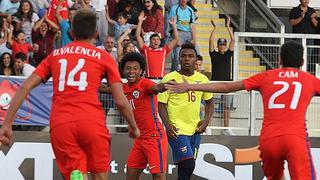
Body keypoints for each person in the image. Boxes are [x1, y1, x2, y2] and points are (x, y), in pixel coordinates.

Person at [0, 9, 140, 180]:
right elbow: (120, 100)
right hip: (92, 122)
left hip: (62, 124)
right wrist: (133, 126)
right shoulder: (104, 57)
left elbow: (24, 88)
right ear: (96, 33)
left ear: (71, 32)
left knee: (77, 173)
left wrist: (7, 123)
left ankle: (78, 175)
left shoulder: (55, 56)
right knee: (100, 174)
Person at [166, 41, 318, 180]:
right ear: (302, 62)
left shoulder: (266, 77)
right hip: (296, 139)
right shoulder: (309, 80)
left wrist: (190, 86)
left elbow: (226, 87)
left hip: (270, 140)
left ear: (279, 61)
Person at [100, 52, 169, 180]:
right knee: (130, 177)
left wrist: (166, 85)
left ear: (141, 71)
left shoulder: (146, 84)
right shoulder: (123, 88)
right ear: (123, 70)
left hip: (154, 137)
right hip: (139, 140)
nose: (131, 71)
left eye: (135, 69)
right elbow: (103, 88)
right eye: (128, 68)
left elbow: (156, 88)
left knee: (158, 176)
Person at [158, 43, 214, 180]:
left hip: (195, 130)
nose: (187, 59)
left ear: (196, 59)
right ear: (178, 58)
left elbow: (210, 102)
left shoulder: (202, 79)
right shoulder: (170, 78)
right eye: (183, 56)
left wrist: (206, 121)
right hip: (176, 130)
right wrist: (167, 124)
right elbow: (161, 104)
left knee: (186, 168)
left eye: (190, 56)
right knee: (189, 165)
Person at [209, 17, 235, 135]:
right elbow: (210, 41)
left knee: (226, 108)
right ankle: (208, 127)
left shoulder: (229, 54)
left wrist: (228, 27)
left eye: (224, 45)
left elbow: (233, 40)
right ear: (218, 46)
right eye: (221, 45)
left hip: (227, 84)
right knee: (211, 106)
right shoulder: (214, 54)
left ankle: (226, 128)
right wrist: (214, 29)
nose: (223, 46)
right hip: (214, 83)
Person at [136, 12, 179, 79]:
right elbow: (138, 36)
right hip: (149, 79)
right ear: (150, 42)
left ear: (160, 41)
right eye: (153, 39)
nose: (156, 41)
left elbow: (176, 39)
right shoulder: (146, 50)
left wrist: (174, 25)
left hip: (161, 79)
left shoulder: (164, 50)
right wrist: (140, 21)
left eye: (157, 39)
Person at [289, 0, 318, 74]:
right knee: (297, 55)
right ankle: (296, 71)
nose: (307, 1)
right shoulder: (294, 10)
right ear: (300, 0)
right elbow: (291, 22)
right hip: (298, 37)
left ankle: (304, 72)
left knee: (308, 56)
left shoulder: (312, 10)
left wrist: (312, 18)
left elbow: (316, 24)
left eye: (308, 0)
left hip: (310, 38)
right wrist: (301, 17)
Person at [169, 0, 197, 71]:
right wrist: (176, 38)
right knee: (178, 56)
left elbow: (192, 25)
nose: (183, 0)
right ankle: (175, 73)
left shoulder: (190, 10)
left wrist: (194, 39)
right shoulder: (174, 8)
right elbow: (172, 24)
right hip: (178, 32)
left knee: (195, 54)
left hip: (188, 33)